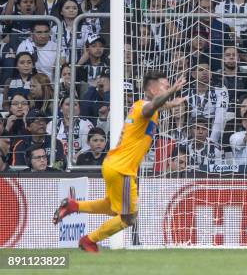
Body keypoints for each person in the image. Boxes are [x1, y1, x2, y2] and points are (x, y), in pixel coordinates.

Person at [52, 71, 186, 253]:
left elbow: (155, 106)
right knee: (128, 217)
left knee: (111, 206)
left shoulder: (139, 106)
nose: (168, 88)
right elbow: (153, 106)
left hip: (113, 164)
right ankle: (88, 240)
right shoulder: (144, 108)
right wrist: (171, 93)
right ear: (152, 89)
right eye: (164, 85)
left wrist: (170, 104)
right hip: (122, 169)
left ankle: (74, 206)